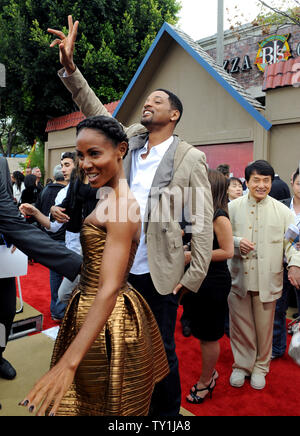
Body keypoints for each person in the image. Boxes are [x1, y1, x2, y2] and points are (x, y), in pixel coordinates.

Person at [47, 15, 213, 416]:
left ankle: (164, 416)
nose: (148, 103)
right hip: (113, 266)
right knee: (120, 347)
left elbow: (202, 222)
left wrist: (191, 277)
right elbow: (93, 111)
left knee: (161, 353)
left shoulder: (190, 158)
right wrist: (70, 69)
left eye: (157, 100)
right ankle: (124, 407)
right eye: (147, 100)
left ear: (174, 114)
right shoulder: (129, 141)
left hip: (156, 273)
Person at [19, 115, 169, 416]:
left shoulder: (121, 205)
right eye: (81, 155)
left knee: (101, 405)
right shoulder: (110, 197)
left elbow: (110, 285)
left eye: (94, 154)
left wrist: (68, 362)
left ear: (121, 150)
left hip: (107, 320)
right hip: (90, 308)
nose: (85, 164)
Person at [0, 157, 82, 391]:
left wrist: (80, 266)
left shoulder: (0, 164)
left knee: (4, 313)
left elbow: (8, 215)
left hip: (2, 257)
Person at [228, 160, 300, 390]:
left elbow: (292, 244)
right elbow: (218, 238)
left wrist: (295, 265)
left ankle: (261, 366)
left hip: (269, 278)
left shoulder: (282, 211)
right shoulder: (232, 208)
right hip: (238, 277)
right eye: (256, 180)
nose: (261, 185)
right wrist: (237, 243)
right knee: (240, 326)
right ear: (246, 182)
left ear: (271, 182)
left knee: (264, 326)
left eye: (266, 181)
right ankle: (242, 365)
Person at [184, 169, 233, 404]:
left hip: (213, 283)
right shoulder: (200, 213)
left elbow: (227, 251)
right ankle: (209, 374)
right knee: (201, 333)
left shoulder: (219, 216)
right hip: (197, 280)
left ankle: (206, 380)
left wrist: (192, 254)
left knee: (209, 336)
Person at [20, 153, 76, 321]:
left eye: (67, 165)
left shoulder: (98, 189)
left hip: (93, 255)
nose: (63, 169)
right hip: (71, 252)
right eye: (62, 165)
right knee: (64, 293)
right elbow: (53, 226)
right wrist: (36, 212)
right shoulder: (64, 193)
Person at [272, 167, 300, 358]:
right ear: (292, 182)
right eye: (299, 184)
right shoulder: (280, 205)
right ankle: (277, 348)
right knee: (277, 310)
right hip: (281, 264)